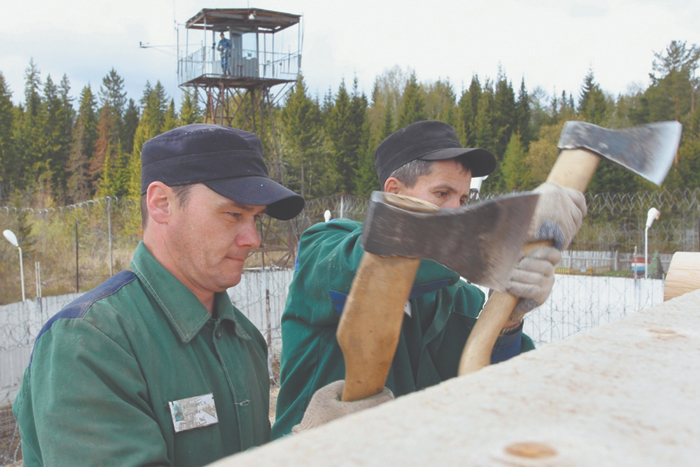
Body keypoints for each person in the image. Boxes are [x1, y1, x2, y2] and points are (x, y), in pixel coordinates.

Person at [12, 124, 353, 466]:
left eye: (256, 218)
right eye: (233, 214)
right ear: (162, 204)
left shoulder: (244, 338)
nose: (252, 238)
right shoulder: (89, 343)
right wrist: (298, 451)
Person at [272, 120, 586, 438]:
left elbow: (493, 388)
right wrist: (510, 223)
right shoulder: (326, 248)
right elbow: (376, 263)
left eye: (463, 199)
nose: (455, 209)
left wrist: (509, 320)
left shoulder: (460, 298)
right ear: (394, 191)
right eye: (442, 193)